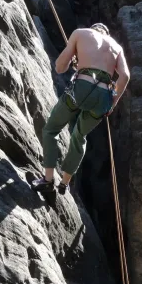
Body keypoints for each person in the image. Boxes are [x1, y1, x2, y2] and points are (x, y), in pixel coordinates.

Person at [32, 24, 130, 194]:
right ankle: (64, 183)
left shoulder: (80, 33)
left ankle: (48, 180)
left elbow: (59, 67)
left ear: (93, 28)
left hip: (80, 89)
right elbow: (125, 76)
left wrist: (73, 61)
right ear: (106, 33)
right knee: (79, 137)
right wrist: (112, 103)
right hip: (103, 98)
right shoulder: (116, 47)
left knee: (51, 129)